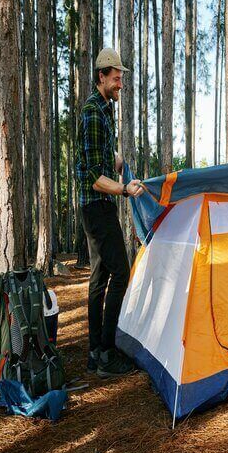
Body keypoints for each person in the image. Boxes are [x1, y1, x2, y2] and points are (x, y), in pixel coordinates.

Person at [75, 48, 145, 379]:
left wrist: (124, 165)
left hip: (98, 205)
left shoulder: (104, 111)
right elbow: (92, 175)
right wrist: (123, 188)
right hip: (96, 206)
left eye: (121, 79)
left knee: (99, 278)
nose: (120, 84)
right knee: (121, 273)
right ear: (101, 76)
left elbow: (104, 159)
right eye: (116, 78)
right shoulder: (91, 113)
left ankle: (94, 355)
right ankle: (107, 352)